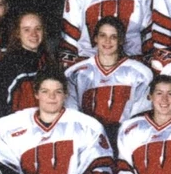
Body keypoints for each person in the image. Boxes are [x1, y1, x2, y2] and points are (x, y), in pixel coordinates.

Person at [64, 15, 154, 143]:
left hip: (125, 140)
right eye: (102, 36)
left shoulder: (140, 73)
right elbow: (72, 115)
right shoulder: (75, 73)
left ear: (121, 40)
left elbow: (139, 117)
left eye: (114, 37)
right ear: (95, 38)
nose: (107, 41)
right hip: (89, 141)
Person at [0, 11, 57, 120]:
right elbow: (0, 107)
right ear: (17, 33)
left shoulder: (48, 61)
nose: (33, 34)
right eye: (26, 30)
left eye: (38, 29)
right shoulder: (8, 64)